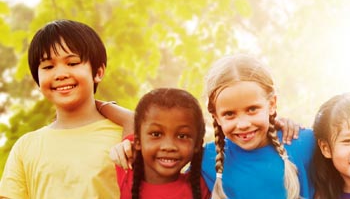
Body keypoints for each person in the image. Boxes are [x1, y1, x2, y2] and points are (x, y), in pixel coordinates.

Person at [201, 54, 350, 199]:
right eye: (229, 114)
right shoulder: (206, 159)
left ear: (272, 104)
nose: (243, 123)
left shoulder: (304, 143)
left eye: (252, 109)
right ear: (215, 116)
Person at [0, 19, 127, 198]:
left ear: (98, 72)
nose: (60, 75)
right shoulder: (25, 147)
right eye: (48, 66)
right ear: (37, 79)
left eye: (72, 63)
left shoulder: (124, 137)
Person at [116, 88, 210, 199]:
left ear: (197, 144)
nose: (169, 146)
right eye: (156, 134)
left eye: (182, 136)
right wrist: (102, 105)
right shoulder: (124, 168)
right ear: (137, 142)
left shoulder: (200, 188)